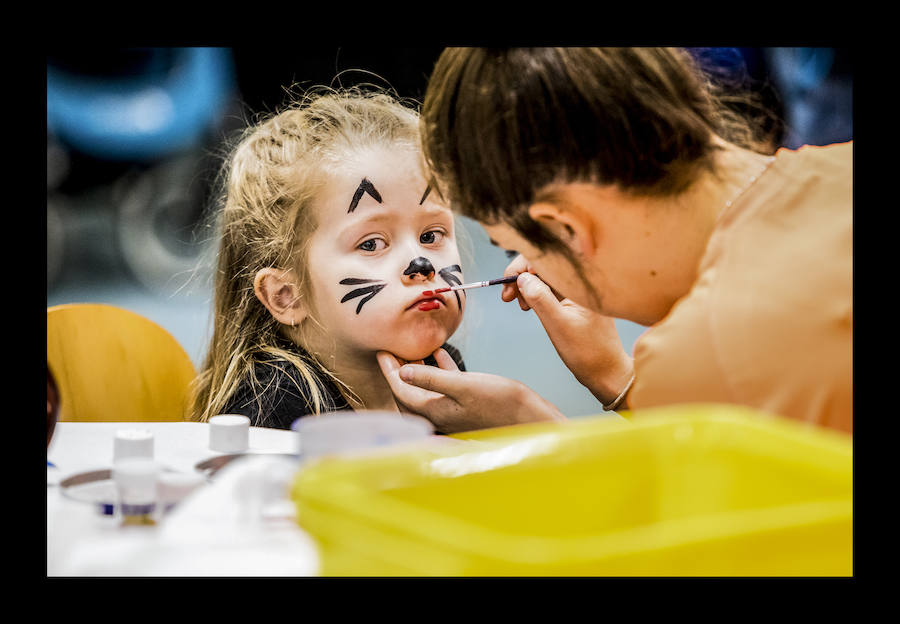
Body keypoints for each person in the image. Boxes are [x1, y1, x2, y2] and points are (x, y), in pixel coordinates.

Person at [377, 47, 851, 434]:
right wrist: (618, 379)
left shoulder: (714, 356)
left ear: (567, 229)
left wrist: (532, 427)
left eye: (514, 245)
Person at [191, 87, 467, 429]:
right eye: (371, 244)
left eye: (431, 236)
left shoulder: (440, 371)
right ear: (286, 296)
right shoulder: (274, 408)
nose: (421, 265)